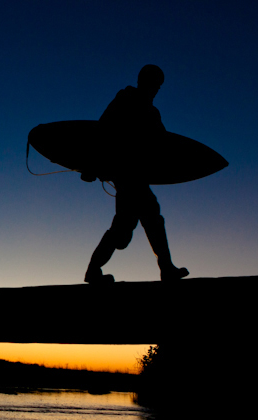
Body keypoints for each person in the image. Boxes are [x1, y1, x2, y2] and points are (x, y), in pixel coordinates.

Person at [83, 64, 189, 284]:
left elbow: (161, 143)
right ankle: (165, 268)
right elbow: (102, 131)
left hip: (137, 175)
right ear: (143, 81)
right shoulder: (125, 100)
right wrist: (91, 165)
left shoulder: (152, 112)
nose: (156, 89)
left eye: (159, 86)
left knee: (127, 229)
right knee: (145, 221)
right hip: (126, 174)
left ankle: (94, 270)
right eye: (154, 84)